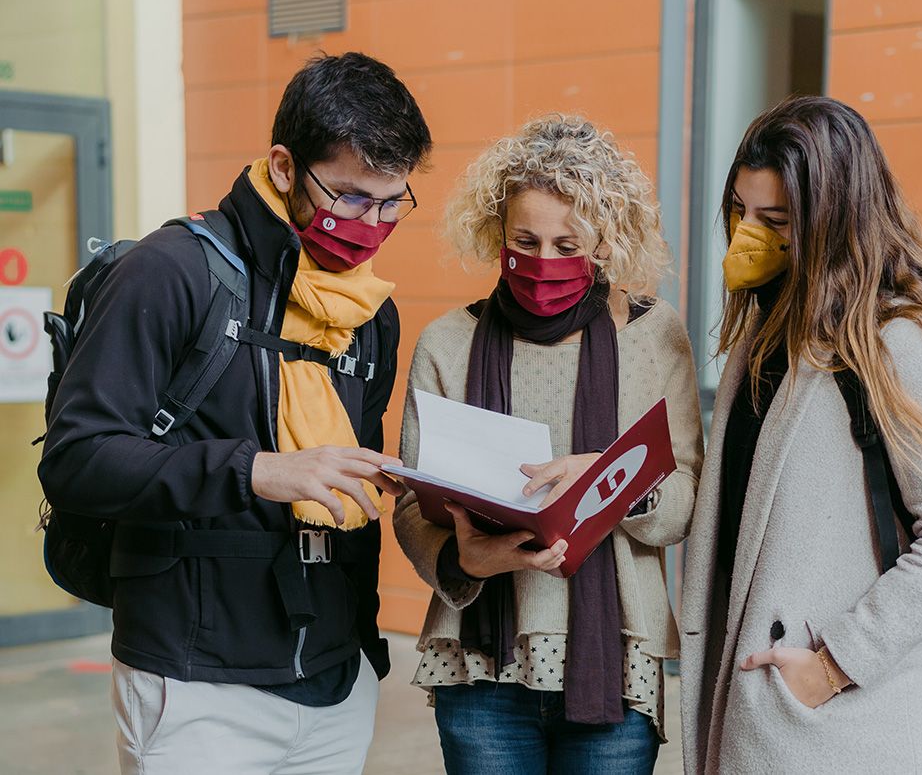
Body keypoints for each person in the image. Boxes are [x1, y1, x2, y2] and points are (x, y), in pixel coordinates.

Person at [38, 52, 432, 774]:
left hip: (336, 682)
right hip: (195, 684)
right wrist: (254, 469)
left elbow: (354, 491)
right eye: (348, 196)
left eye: (391, 202)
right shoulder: (171, 270)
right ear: (284, 166)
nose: (370, 224)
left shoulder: (371, 313)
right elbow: (77, 457)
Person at [679, 95, 922, 774]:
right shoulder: (766, 335)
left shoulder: (896, 343)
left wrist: (832, 666)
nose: (748, 234)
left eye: (777, 220)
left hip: (847, 727)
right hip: (761, 713)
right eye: (740, 210)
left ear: (834, 221)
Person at [393, 115, 704, 775]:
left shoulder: (654, 336)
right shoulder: (448, 342)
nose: (545, 263)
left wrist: (609, 476)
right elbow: (413, 507)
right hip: (480, 669)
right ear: (496, 234)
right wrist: (464, 557)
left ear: (606, 240)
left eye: (569, 244)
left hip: (615, 662)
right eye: (525, 240)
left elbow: (682, 503)